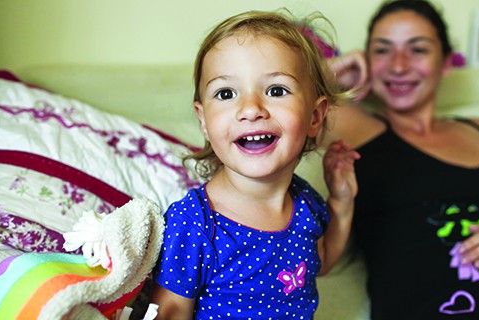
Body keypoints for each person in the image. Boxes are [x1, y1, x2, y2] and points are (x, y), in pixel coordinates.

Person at [324, 0, 479, 319]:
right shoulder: (352, 124)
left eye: (417, 50)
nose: (399, 65)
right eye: (382, 50)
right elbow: (274, 100)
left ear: (446, 62)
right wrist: (334, 74)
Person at [151, 10, 359, 319]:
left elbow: (322, 261)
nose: (250, 109)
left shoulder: (306, 204)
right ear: (204, 121)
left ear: (315, 117)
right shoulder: (195, 221)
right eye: (226, 93)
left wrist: (342, 202)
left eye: (276, 90)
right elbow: (169, 311)